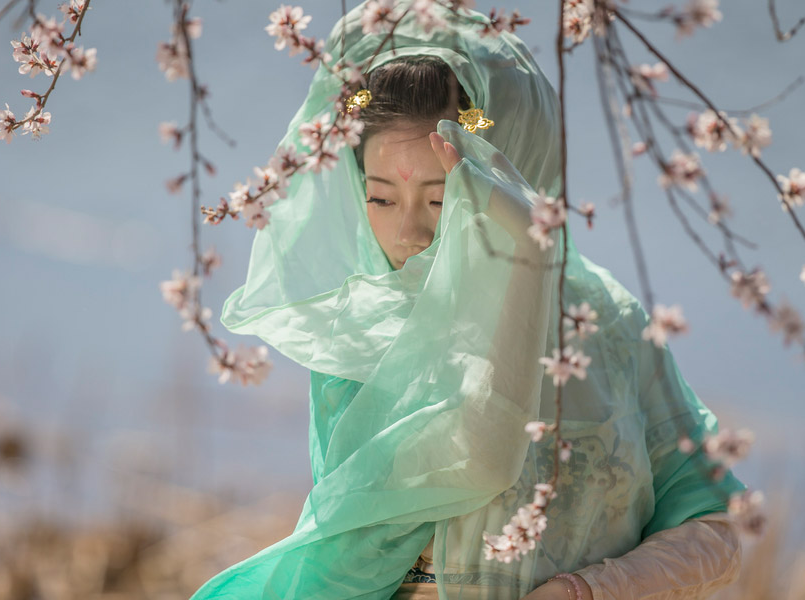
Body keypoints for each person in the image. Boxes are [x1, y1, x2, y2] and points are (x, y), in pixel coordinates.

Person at [192, 2, 746, 599]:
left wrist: (587, 592)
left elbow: (716, 529)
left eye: (441, 200)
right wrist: (529, 261)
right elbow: (470, 461)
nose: (408, 234)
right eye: (379, 199)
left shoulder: (607, 323)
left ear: (507, 177)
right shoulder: (360, 338)